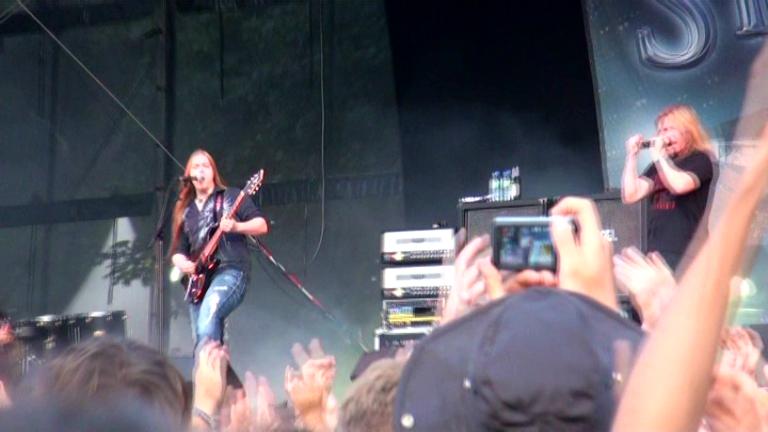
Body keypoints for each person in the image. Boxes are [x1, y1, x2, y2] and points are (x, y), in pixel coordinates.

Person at [170, 149, 268, 352]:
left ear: (213, 172)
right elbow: (179, 250)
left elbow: (261, 225)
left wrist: (236, 227)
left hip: (231, 270)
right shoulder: (186, 211)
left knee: (209, 313)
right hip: (198, 281)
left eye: (205, 166)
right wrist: (182, 263)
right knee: (202, 336)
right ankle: (214, 371)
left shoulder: (231, 196)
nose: (200, 170)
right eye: (196, 167)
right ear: (189, 175)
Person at [621, 104, 716, 270]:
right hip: (656, 255)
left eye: (668, 129)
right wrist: (632, 156)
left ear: (687, 131)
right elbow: (631, 194)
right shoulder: (658, 166)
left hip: (687, 255)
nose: (662, 136)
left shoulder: (700, 159)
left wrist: (659, 157)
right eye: (659, 131)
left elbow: (679, 185)